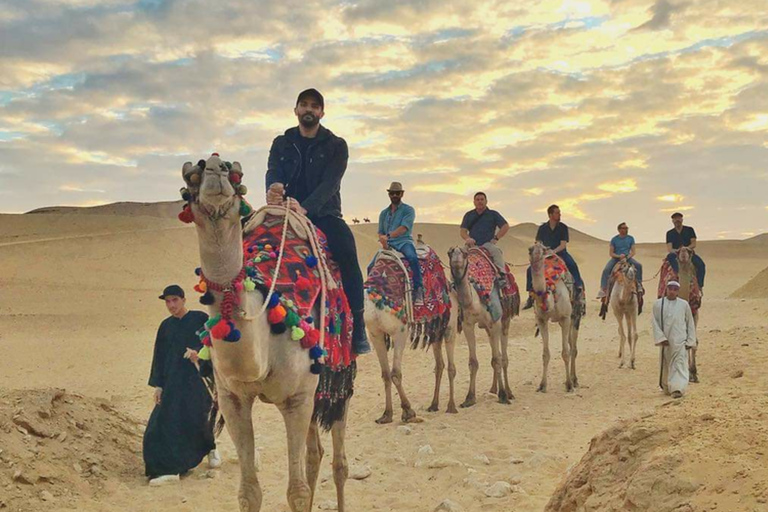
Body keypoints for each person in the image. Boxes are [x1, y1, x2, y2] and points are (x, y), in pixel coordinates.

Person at [265, 88, 371, 355]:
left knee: (347, 253)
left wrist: (306, 207)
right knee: (253, 248)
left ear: (322, 112)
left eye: (314, 106)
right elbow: (273, 170)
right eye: (304, 105)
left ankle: (358, 324)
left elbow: (330, 183)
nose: (309, 109)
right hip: (286, 210)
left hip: (324, 214)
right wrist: (274, 186)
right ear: (296, 110)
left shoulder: (336, 145)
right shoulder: (282, 142)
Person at [143, 285, 220, 486]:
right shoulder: (165, 326)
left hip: (197, 380)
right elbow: (159, 357)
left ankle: (210, 448)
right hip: (172, 382)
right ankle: (169, 467)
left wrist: (199, 354)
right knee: (161, 423)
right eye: (168, 301)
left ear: (184, 300)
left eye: (175, 300)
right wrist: (158, 386)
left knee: (198, 417)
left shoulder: (200, 319)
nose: (171, 305)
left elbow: (214, 344)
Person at [524, 204, 584, 309]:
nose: (559, 214)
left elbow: (563, 244)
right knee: (530, 270)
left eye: (559, 212)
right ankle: (530, 294)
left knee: (572, 265)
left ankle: (578, 288)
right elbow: (538, 242)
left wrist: (553, 251)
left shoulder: (563, 227)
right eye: (557, 213)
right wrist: (544, 250)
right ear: (550, 214)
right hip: (545, 255)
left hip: (560, 253)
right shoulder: (542, 228)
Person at [373, 182, 424, 304]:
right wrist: (383, 241)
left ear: (402, 194)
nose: (394, 195)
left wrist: (388, 236)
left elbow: (404, 228)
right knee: (372, 265)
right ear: (389, 194)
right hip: (388, 244)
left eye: (397, 193)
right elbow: (380, 232)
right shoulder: (384, 213)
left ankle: (418, 289)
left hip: (403, 242)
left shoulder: (408, 210)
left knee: (412, 258)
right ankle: (372, 292)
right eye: (392, 193)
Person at [651, 281, 697, 398]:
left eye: (675, 289)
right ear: (666, 289)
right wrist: (661, 338)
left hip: (680, 341)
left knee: (679, 364)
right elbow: (655, 322)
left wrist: (690, 341)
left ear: (678, 291)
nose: (672, 291)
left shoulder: (684, 305)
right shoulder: (658, 305)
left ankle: (678, 389)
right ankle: (667, 387)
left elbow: (690, 323)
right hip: (665, 341)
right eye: (670, 289)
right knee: (666, 365)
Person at [460, 192, 510, 281]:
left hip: (487, 244)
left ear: (486, 201)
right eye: (477, 200)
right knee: (459, 255)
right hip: (472, 245)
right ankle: (455, 280)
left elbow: (505, 226)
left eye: (482, 199)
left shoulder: (493, 214)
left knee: (496, 251)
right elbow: (463, 231)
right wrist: (467, 238)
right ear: (474, 202)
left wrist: (496, 238)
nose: (480, 202)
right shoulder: (469, 215)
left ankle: (502, 275)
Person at [598, 222, 644, 301]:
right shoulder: (614, 239)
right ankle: (603, 289)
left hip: (627, 258)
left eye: (626, 228)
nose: (625, 230)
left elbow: (633, 252)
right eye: (623, 228)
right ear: (619, 229)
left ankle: (639, 284)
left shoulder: (630, 238)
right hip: (616, 258)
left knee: (638, 265)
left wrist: (627, 257)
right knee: (606, 270)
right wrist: (619, 256)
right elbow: (611, 253)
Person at [666, 212, 706, 289]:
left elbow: (693, 244)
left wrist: (686, 248)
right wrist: (678, 250)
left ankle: (699, 286)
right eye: (675, 219)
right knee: (669, 259)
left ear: (682, 219)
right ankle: (677, 274)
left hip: (689, 252)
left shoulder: (689, 230)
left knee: (701, 265)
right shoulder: (670, 233)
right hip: (676, 253)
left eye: (678, 218)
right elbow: (670, 248)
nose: (677, 220)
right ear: (672, 221)